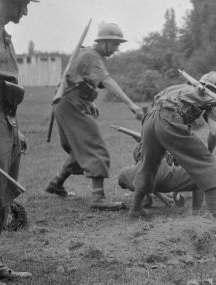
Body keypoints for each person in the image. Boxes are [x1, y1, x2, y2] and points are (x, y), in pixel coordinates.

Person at [45, 23, 144, 210]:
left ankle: (56, 183)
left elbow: (78, 81)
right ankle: (98, 199)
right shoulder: (91, 56)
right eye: (114, 44)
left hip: (67, 104)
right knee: (94, 145)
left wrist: (89, 103)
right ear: (104, 42)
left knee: (79, 147)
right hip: (70, 105)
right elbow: (107, 81)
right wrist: (131, 105)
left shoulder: (90, 55)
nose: (116, 49)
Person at [129, 72, 216, 222]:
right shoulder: (208, 97)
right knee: (207, 164)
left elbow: (156, 101)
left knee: (148, 166)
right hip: (169, 120)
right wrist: (207, 155)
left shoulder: (177, 88)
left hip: (150, 119)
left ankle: (135, 209)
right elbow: (213, 133)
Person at [0, 0, 39, 285]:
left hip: (7, 117)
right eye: (22, 5)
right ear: (7, 1)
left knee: (3, 191)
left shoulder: (4, 34)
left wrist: (15, 129)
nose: (24, 12)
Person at [118, 141, 205, 213]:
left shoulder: (127, 172)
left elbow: (148, 175)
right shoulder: (170, 141)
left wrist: (164, 198)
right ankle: (197, 211)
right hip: (163, 179)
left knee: (136, 175)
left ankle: (145, 197)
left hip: (136, 180)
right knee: (200, 177)